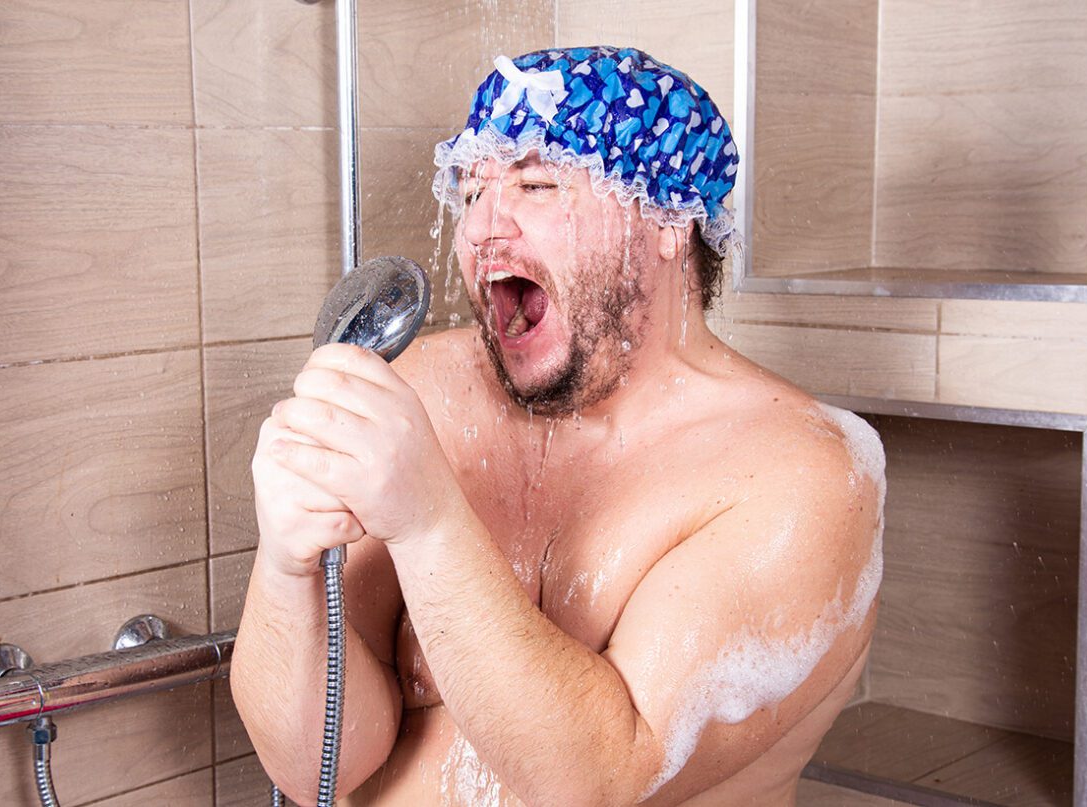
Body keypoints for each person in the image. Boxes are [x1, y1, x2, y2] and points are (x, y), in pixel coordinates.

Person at [231, 45, 884, 806]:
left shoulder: (801, 476)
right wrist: (285, 568)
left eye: (537, 185)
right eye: (472, 191)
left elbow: (599, 780)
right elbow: (322, 763)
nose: (482, 228)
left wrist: (430, 523)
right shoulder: (431, 394)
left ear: (668, 219)